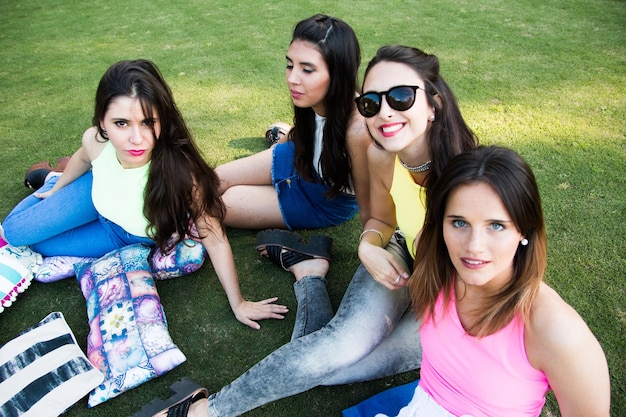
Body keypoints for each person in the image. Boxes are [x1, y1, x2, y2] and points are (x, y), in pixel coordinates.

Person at [134, 45, 478, 417]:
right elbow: (380, 221)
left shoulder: (471, 180)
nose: (385, 113)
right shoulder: (381, 154)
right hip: (400, 257)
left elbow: (490, 274)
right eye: (371, 103)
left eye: (400, 97)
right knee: (335, 352)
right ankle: (206, 411)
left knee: (332, 370)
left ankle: (311, 273)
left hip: (456, 302)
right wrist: (369, 247)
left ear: (434, 104)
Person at [0, 59, 287, 329]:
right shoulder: (96, 140)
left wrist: (238, 303)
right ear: (102, 121)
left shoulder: (182, 173)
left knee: (40, 247)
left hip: (121, 235)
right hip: (92, 196)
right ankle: (50, 179)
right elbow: (84, 158)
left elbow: (214, 237)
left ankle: (52, 183)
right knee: (14, 232)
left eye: (148, 122)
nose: (136, 139)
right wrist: (58, 189)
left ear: (163, 119)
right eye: (121, 123)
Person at [373, 146, 610, 416]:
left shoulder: (557, 330)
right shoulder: (437, 268)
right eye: (459, 223)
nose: (474, 247)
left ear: (524, 229)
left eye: (496, 226)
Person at [216, 14, 372, 338]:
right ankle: (280, 135)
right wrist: (291, 139)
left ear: (338, 72)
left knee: (224, 205)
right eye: (290, 65)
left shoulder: (359, 130)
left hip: (321, 199)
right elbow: (308, 134)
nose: (292, 78)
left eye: (307, 69)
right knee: (214, 181)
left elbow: (374, 203)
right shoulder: (312, 101)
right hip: (300, 156)